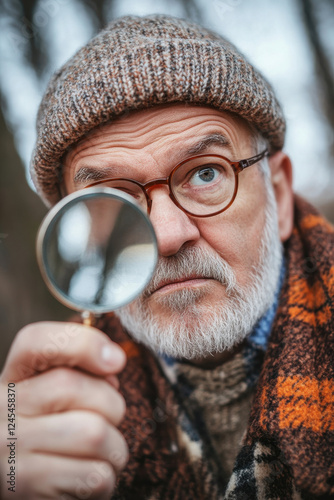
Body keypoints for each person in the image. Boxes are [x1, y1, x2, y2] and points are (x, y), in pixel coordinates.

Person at [0, 14, 333, 500]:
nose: (168, 236)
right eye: (117, 199)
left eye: (205, 174)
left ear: (279, 195)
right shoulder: (44, 416)